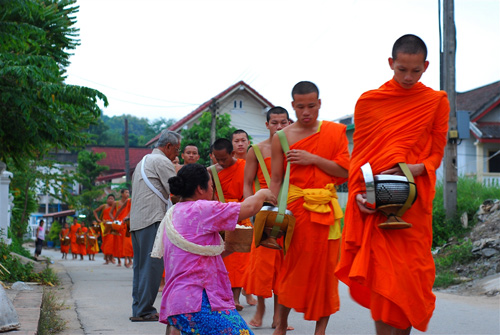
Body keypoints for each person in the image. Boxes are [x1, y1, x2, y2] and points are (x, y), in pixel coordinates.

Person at [335, 34, 450, 335]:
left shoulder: (436, 102)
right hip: (376, 204)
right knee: (383, 281)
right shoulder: (370, 102)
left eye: (416, 70)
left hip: (412, 205)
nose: (409, 77)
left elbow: (437, 153)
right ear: (391, 64)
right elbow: (359, 156)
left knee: (410, 279)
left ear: (425, 66)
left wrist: (412, 169)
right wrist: (359, 195)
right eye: (402, 70)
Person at [151, 163, 277, 335]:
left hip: (176, 303)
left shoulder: (173, 213)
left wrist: (230, 248)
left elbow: (196, 253)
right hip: (198, 302)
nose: (213, 190)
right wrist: (262, 193)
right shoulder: (202, 208)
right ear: (200, 189)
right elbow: (248, 208)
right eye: (211, 186)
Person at [269, 81, 350, 335]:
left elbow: (344, 171)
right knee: (292, 268)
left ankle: (320, 329)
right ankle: (280, 324)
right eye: (301, 106)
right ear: (293, 106)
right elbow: (276, 180)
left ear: (320, 104)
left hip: (326, 209)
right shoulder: (281, 137)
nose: (306, 112)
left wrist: (313, 159)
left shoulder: (335, 132)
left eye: (312, 106)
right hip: (297, 210)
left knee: (326, 272)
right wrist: (269, 213)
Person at [242, 106, 291, 329]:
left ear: (290, 123)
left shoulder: (295, 149)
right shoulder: (257, 150)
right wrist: (251, 207)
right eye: (275, 123)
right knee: (262, 265)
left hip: (290, 211)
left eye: (284, 122)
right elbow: (247, 181)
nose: (279, 127)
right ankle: (261, 309)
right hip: (263, 213)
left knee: (285, 265)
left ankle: (279, 317)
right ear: (267, 125)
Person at [129, 129, 180, 322]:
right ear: (167, 147)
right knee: (153, 266)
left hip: (138, 221)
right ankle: (144, 310)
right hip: (153, 218)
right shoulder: (162, 161)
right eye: (176, 149)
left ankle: (139, 308)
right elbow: (174, 190)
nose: (177, 154)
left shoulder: (143, 161)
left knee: (140, 267)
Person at [208, 138, 254, 311]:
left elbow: (250, 189)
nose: (220, 163)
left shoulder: (245, 166)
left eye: (224, 159)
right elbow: (209, 194)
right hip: (219, 217)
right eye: (217, 159)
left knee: (239, 261)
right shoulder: (211, 171)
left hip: (241, 215)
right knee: (221, 260)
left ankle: (235, 298)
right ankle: (222, 296)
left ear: (232, 154)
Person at [93, 194, 116, 265]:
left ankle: (111, 257)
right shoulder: (104, 206)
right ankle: (106, 258)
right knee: (106, 242)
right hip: (105, 227)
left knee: (113, 242)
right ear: (107, 200)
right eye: (109, 199)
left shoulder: (116, 206)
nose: (110, 200)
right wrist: (98, 220)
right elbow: (95, 211)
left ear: (114, 200)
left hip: (113, 226)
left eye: (112, 199)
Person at [113, 188, 132, 268]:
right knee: (125, 242)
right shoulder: (128, 201)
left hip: (132, 223)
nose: (127, 194)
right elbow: (119, 210)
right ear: (122, 194)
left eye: (128, 192)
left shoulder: (133, 200)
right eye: (126, 192)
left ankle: (129, 260)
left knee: (128, 243)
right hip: (124, 224)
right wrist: (115, 219)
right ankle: (125, 260)